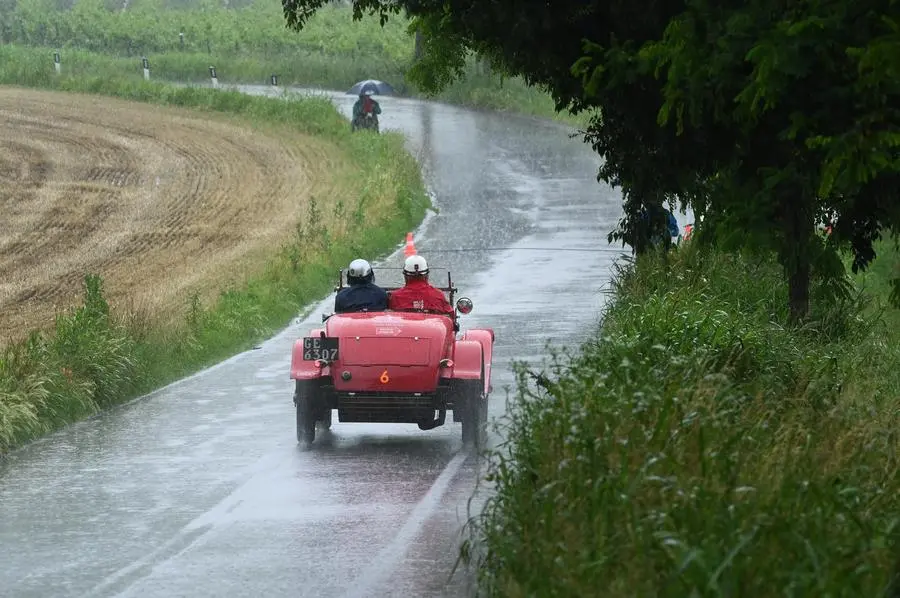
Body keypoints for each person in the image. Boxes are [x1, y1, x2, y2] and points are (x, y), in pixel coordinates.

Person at [388, 255, 454, 316]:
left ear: (405, 276)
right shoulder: (438, 295)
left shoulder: (395, 297)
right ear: (426, 276)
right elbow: (450, 316)